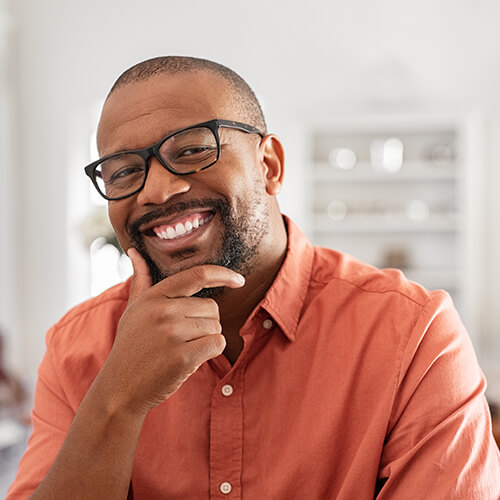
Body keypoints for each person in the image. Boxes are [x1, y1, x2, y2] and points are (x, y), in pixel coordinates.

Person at [7, 56, 500, 499]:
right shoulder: (77, 348)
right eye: (121, 173)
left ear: (269, 165)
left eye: (193, 149)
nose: (156, 190)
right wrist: (116, 399)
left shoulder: (414, 335)